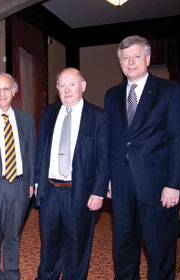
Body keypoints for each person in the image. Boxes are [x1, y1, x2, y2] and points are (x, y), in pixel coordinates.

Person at [104, 35, 180, 280]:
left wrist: (174, 184)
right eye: (125, 58)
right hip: (121, 186)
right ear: (120, 62)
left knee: (160, 251)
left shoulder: (170, 91)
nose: (130, 62)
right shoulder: (112, 95)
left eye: (136, 56)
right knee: (124, 250)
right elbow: (112, 140)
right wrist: (108, 179)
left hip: (158, 186)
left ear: (148, 58)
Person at [34, 68, 109, 280]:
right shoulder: (49, 113)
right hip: (50, 191)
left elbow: (104, 158)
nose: (67, 90)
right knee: (49, 245)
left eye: (72, 84)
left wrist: (99, 191)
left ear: (82, 86)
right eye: (62, 85)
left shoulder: (97, 116)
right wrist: (37, 179)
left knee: (78, 246)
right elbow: (42, 149)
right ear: (57, 88)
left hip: (80, 192)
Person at [0, 73, 37, 279]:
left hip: (19, 186)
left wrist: (31, 183)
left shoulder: (26, 119)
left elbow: (31, 153)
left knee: (14, 234)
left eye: (6, 89)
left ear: (14, 91)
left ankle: (12, 272)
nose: (2, 93)